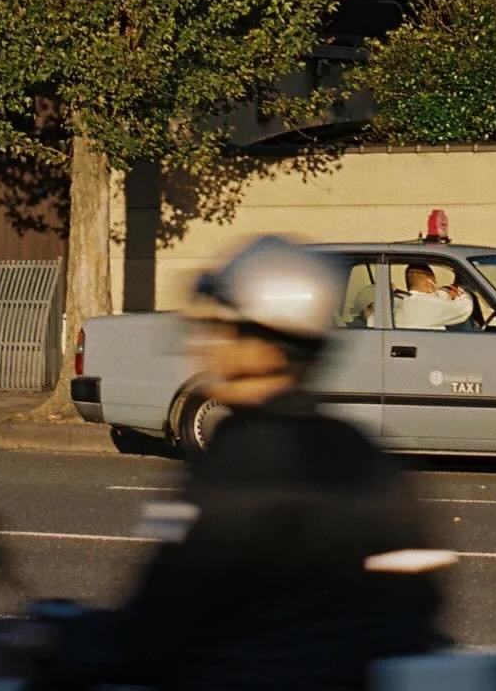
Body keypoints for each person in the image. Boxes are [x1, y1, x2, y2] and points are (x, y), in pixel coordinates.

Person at [50, 235, 452, 691]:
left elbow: (160, 620)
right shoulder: (363, 452)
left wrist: (66, 642)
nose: (205, 345)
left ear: (264, 347)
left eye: (222, 329)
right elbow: (419, 603)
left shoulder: (237, 461)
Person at [394, 262, 477, 331]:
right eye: (435, 281)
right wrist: (463, 292)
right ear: (429, 283)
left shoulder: (403, 302)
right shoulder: (427, 305)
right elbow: (463, 310)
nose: (436, 286)